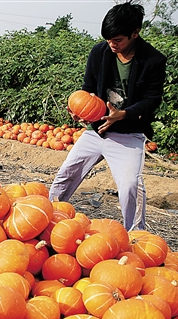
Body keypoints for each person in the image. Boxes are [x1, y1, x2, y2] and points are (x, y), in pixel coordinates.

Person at [48, 2, 166, 231]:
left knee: (131, 185)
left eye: (118, 40)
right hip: (96, 130)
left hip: (128, 133)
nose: (112, 44)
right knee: (65, 175)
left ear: (135, 33)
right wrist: (80, 111)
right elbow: (88, 88)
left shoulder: (153, 60)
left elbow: (152, 100)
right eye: (109, 39)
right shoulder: (100, 52)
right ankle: (48, 218)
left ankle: (136, 236)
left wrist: (123, 114)